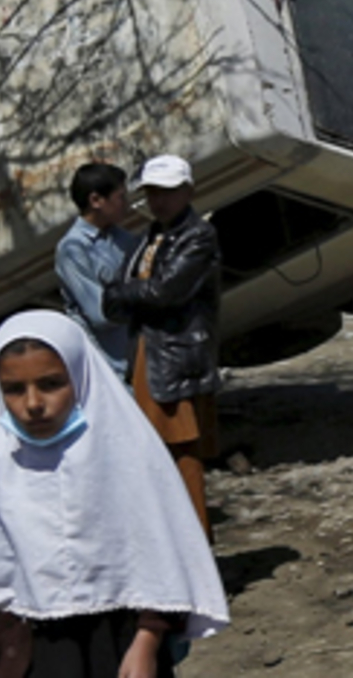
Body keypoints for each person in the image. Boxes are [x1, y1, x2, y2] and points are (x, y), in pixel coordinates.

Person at [0, 311, 229, 678]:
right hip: (34, 648)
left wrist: (147, 641)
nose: (33, 403)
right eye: (15, 390)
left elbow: (161, 555)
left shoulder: (125, 450)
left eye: (51, 384)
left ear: (81, 376)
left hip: (118, 642)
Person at [104, 154, 224, 541]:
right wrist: (133, 294)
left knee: (182, 456)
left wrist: (128, 293)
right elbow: (116, 299)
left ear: (187, 191)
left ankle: (195, 552)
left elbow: (167, 292)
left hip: (174, 359)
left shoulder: (198, 236)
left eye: (167, 192)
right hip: (149, 354)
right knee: (156, 458)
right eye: (153, 193)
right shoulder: (150, 238)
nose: (159, 201)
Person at [56, 162, 140, 376]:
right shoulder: (73, 250)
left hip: (141, 358)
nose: (126, 205)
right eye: (120, 197)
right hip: (112, 370)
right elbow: (101, 314)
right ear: (96, 200)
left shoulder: (122, 238)